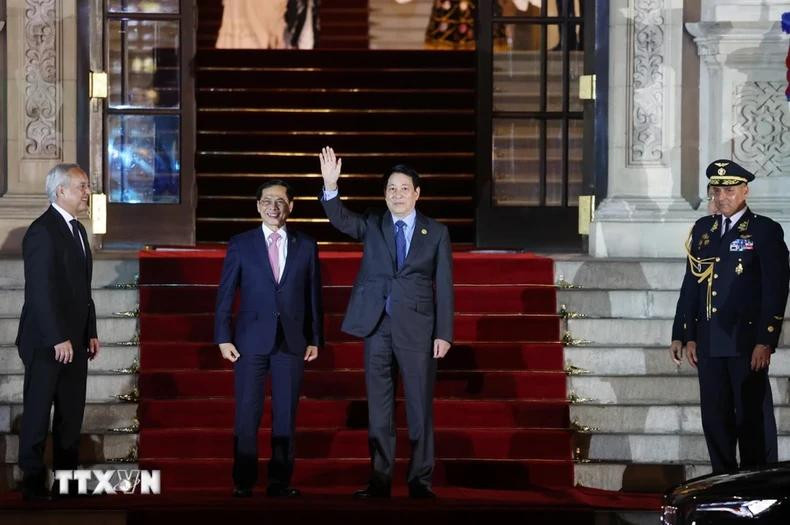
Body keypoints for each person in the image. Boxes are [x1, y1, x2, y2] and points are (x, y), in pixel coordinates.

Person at [318, 147, 454, 499]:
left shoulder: (436, 232)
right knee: (379, 408)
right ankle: (379, 479)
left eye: (404, 188)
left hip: (418, 331)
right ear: (385, 194)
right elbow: (341, 220)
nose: (397, 194)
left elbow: (444, 286)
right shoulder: (374, 223)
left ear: (417, 193)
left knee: (419, 408)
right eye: (391, 189)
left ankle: (420, 481)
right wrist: (330, 187)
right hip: (377, 327)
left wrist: (444, 333)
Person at [670, 159, 789, 474]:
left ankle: (757, 484)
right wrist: (684, 333)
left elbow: (775, 290)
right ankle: (722, 483)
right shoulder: (703, 230)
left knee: (751, 419)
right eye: (717, 189)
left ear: (745, 191)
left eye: (730, 189)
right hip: (709, 343)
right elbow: (692, 285)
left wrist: (766, 340)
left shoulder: (764, 230)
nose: (722, 196)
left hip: (746, 343)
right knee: (716, 420)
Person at [214, 179, 323, 498]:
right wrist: (223, 336)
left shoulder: (306, 244)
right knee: (247, 412)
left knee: (286, 414)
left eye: (280, 201)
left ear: (291, 206)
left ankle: (280, 480)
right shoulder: (241, 243)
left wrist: (315, 338)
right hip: (249, 341)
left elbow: (313, 295)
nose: (273, 207)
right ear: (257, 205)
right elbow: (225, 294)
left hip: (292, 341)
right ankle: (243, 480)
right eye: (266, 201)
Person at [16, 163, 100, 501]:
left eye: (86, 186)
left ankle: (67, 484)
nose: (87, 193)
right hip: (45, 342)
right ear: (60, 191)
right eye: (81, 186)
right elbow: (39, 290)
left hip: (76, 341)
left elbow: (82, 288)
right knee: (37, 413)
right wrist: (56, 337)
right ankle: (33, 483)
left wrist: (89, 331)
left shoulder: (78, 230)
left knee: (70, 416)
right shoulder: (41, 231)